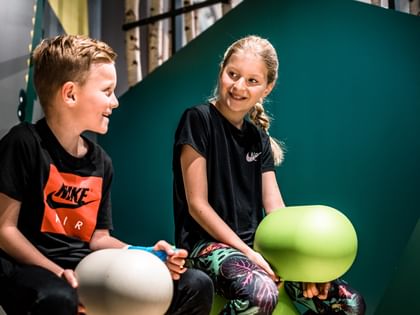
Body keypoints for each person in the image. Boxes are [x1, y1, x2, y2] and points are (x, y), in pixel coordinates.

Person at [0, 34, 213, 315]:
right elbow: (5, 230)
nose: (115, 102)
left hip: (87, 267)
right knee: (58, 300)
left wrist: (146, 254)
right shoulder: (24, 142)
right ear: (70, 94)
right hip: (31, 270)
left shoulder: (102, 161)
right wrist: (57, 271)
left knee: (195, 283)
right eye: (107, 91)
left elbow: (98, 238)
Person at [172, 35, 366, 315]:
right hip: (204, 247)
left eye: (252, 81)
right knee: (261, 294)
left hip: (260, 250)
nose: (239, 86)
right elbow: (197, 205)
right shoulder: (197, 119)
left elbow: (276, 211)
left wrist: (305, 263)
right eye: (233, 74)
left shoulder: (258, 139)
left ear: (267, 87)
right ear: (221, 70)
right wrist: (248, 254)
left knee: (349, 304)